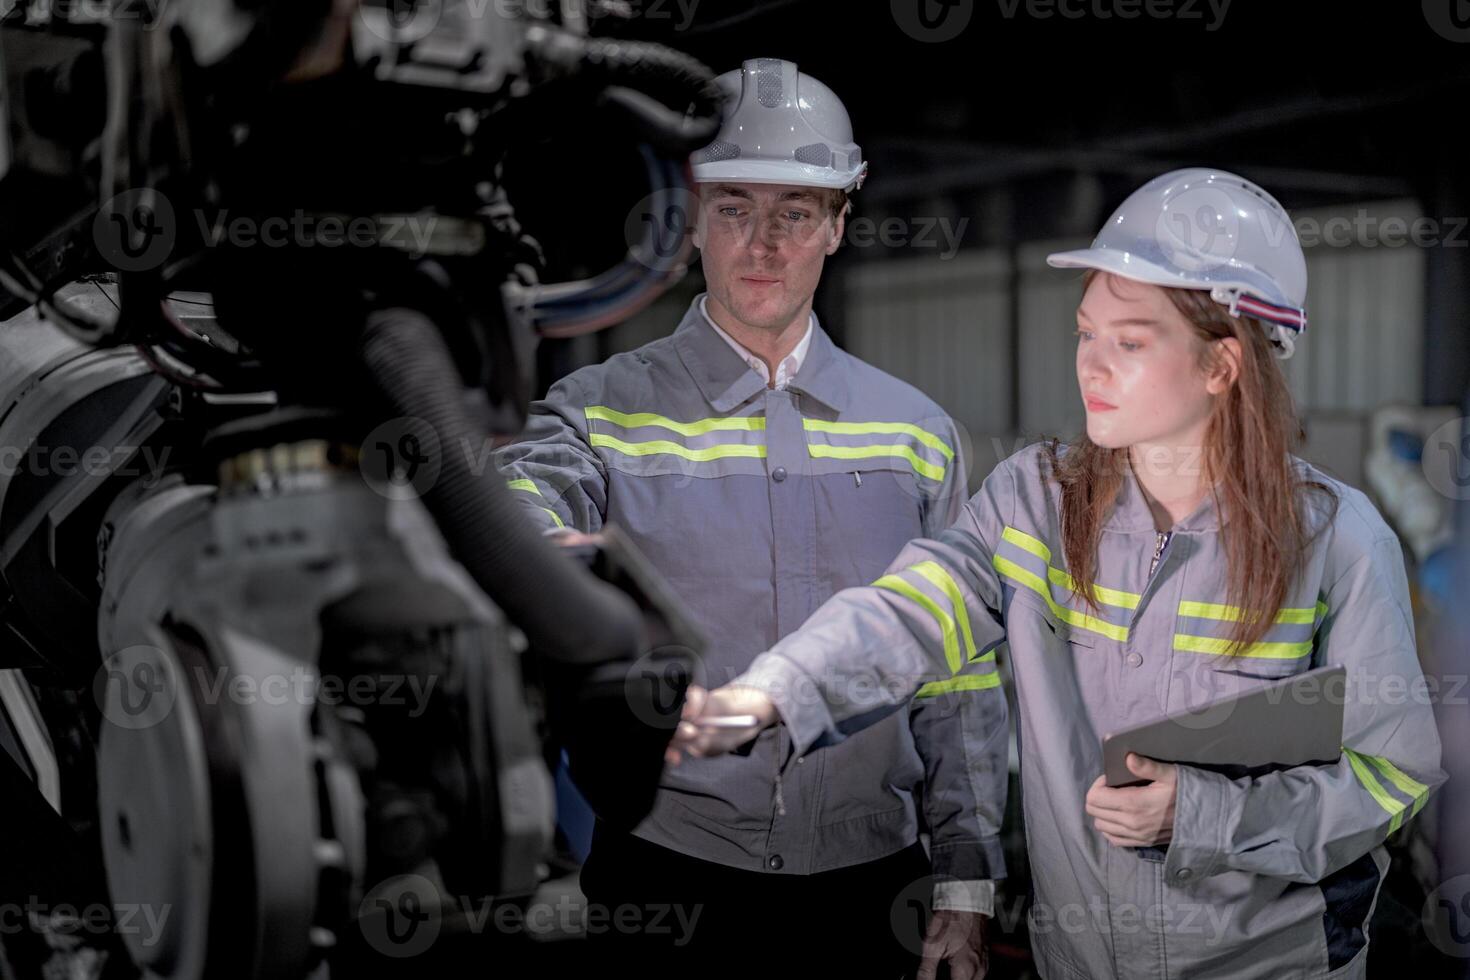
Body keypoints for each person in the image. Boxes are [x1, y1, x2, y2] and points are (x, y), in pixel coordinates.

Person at [672, 168, 1447, 980]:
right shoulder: (1032, 503)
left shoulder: (1335, 540)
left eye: (1130, 342)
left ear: (1221, 365)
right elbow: (913, 609)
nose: (1092, 366)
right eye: (1086, 333)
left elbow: (1391, 774)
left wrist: (1203, 813)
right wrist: (781, 689)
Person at [496, 58, 1005, 977]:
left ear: (838, 225)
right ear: (691, 220)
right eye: (733, 208)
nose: (763, 243)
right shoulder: (597, 412)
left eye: (795, 213)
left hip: (871, 886)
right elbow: (518, 510)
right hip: (668, 878)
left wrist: (966, 882)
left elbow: (959, 678)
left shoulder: (917, 434)